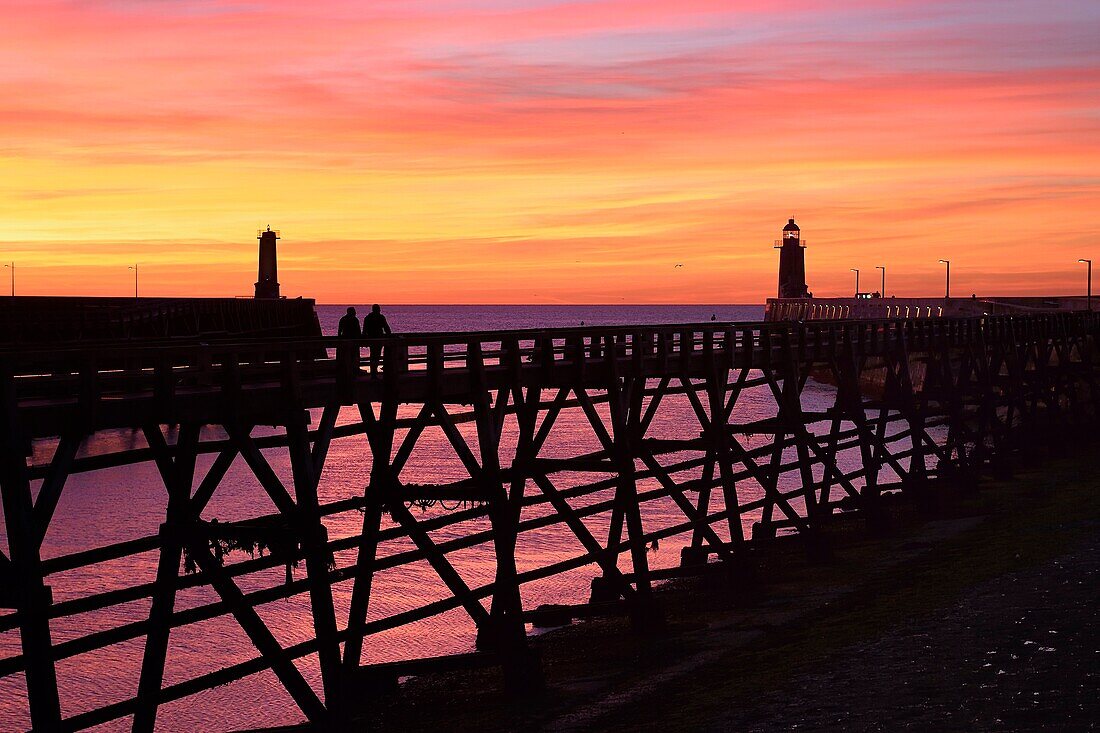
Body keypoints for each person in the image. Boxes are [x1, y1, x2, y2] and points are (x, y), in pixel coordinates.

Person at [363, 304, 392, 378]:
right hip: (378, 339)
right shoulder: (381, 317)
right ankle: (374, 373)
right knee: (376, 356)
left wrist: (364, 340)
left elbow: (364, 330)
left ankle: (373, 373)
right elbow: (386, 328)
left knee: (373, 355)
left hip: (371, 339)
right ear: (378, 309)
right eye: (379, 309)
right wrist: (390, 335)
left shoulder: (368, 318)